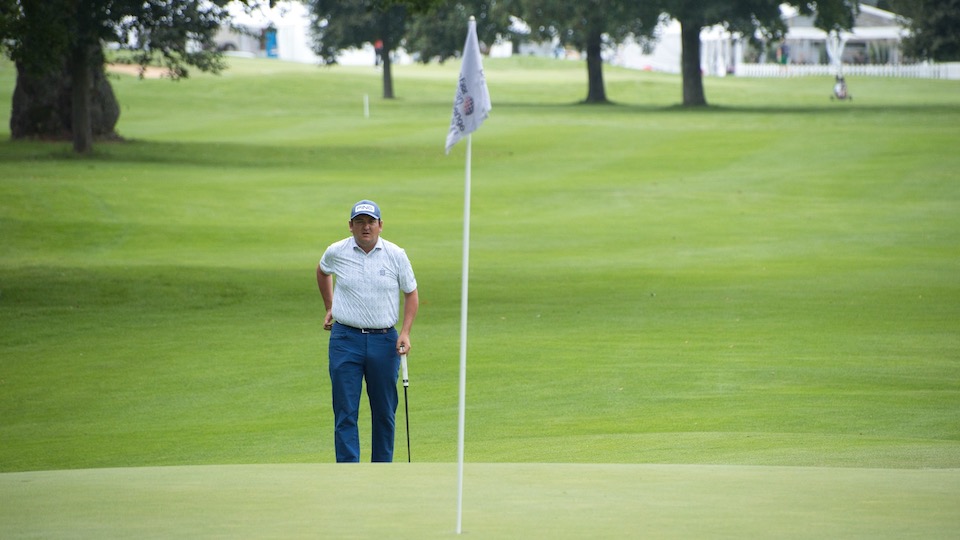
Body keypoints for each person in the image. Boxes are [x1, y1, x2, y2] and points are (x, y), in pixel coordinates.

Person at [316, 199, 419, 462]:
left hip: (384, 341)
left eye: (371, 222)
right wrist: (330, 306)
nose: (365, 227)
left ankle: (382, 469)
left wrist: (405, 332)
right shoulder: (337, 251)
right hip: (345, 338)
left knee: (384, 411)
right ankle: (349, 471)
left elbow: (411, 293)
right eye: (359, 222)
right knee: (345, 410)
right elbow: (322, 271)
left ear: (380, 225)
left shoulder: (396, 254)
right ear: (350, 226)